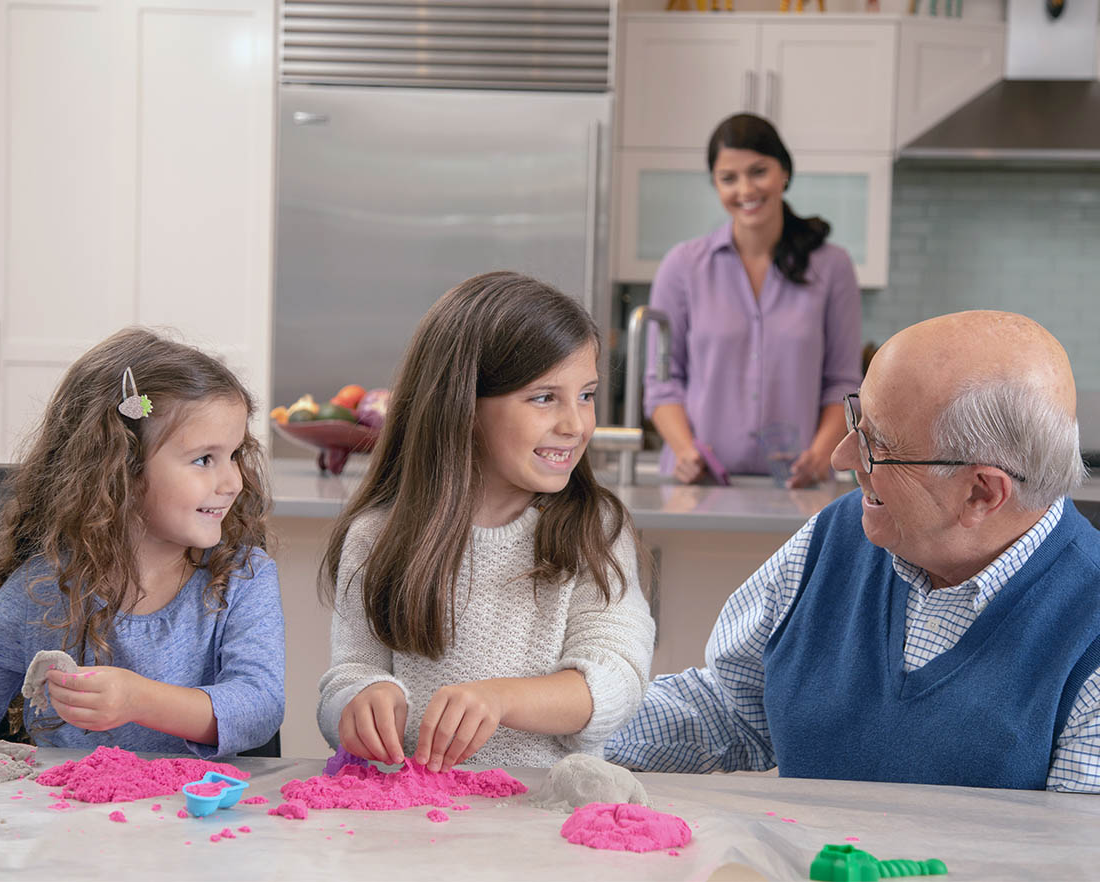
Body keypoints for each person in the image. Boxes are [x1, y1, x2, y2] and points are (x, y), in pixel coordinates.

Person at [607, 310, 1100, 792]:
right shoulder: (838, 533)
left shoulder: (1088, 634)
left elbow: (1063, 853)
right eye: (855, 419)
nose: (842, 457)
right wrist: (561, 720)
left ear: (981, 494)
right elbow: (734, 709)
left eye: (876, 445)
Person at [317, 271, 655, 771]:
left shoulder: (595, 530)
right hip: (416, 818)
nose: (576, 424)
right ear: (463, 405)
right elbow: (348, 676)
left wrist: (502, 699)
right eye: (544, 398)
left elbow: (616, 680)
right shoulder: (376, 536)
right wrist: (360, 699)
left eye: (585, 395)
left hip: (547, 813)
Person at [0, 327, 285, 758]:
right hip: (72, 814)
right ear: (120, 469)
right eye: (204, 459)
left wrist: (139, 700)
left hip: (197, 816)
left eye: (235, 455)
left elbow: (259, 707)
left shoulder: (243, 577)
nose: (232, 481)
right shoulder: (42, 588)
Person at [644, 113, 862, 487]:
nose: (745, 189)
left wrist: (821, 454)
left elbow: (843, 383)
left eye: (758, 171)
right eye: (729, 178)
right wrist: (684, 450)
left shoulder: (832, 267)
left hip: (797, 488)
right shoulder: (682, 266)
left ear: (784, 173)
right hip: (700, 486)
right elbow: (663, 382)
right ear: (715, 184)